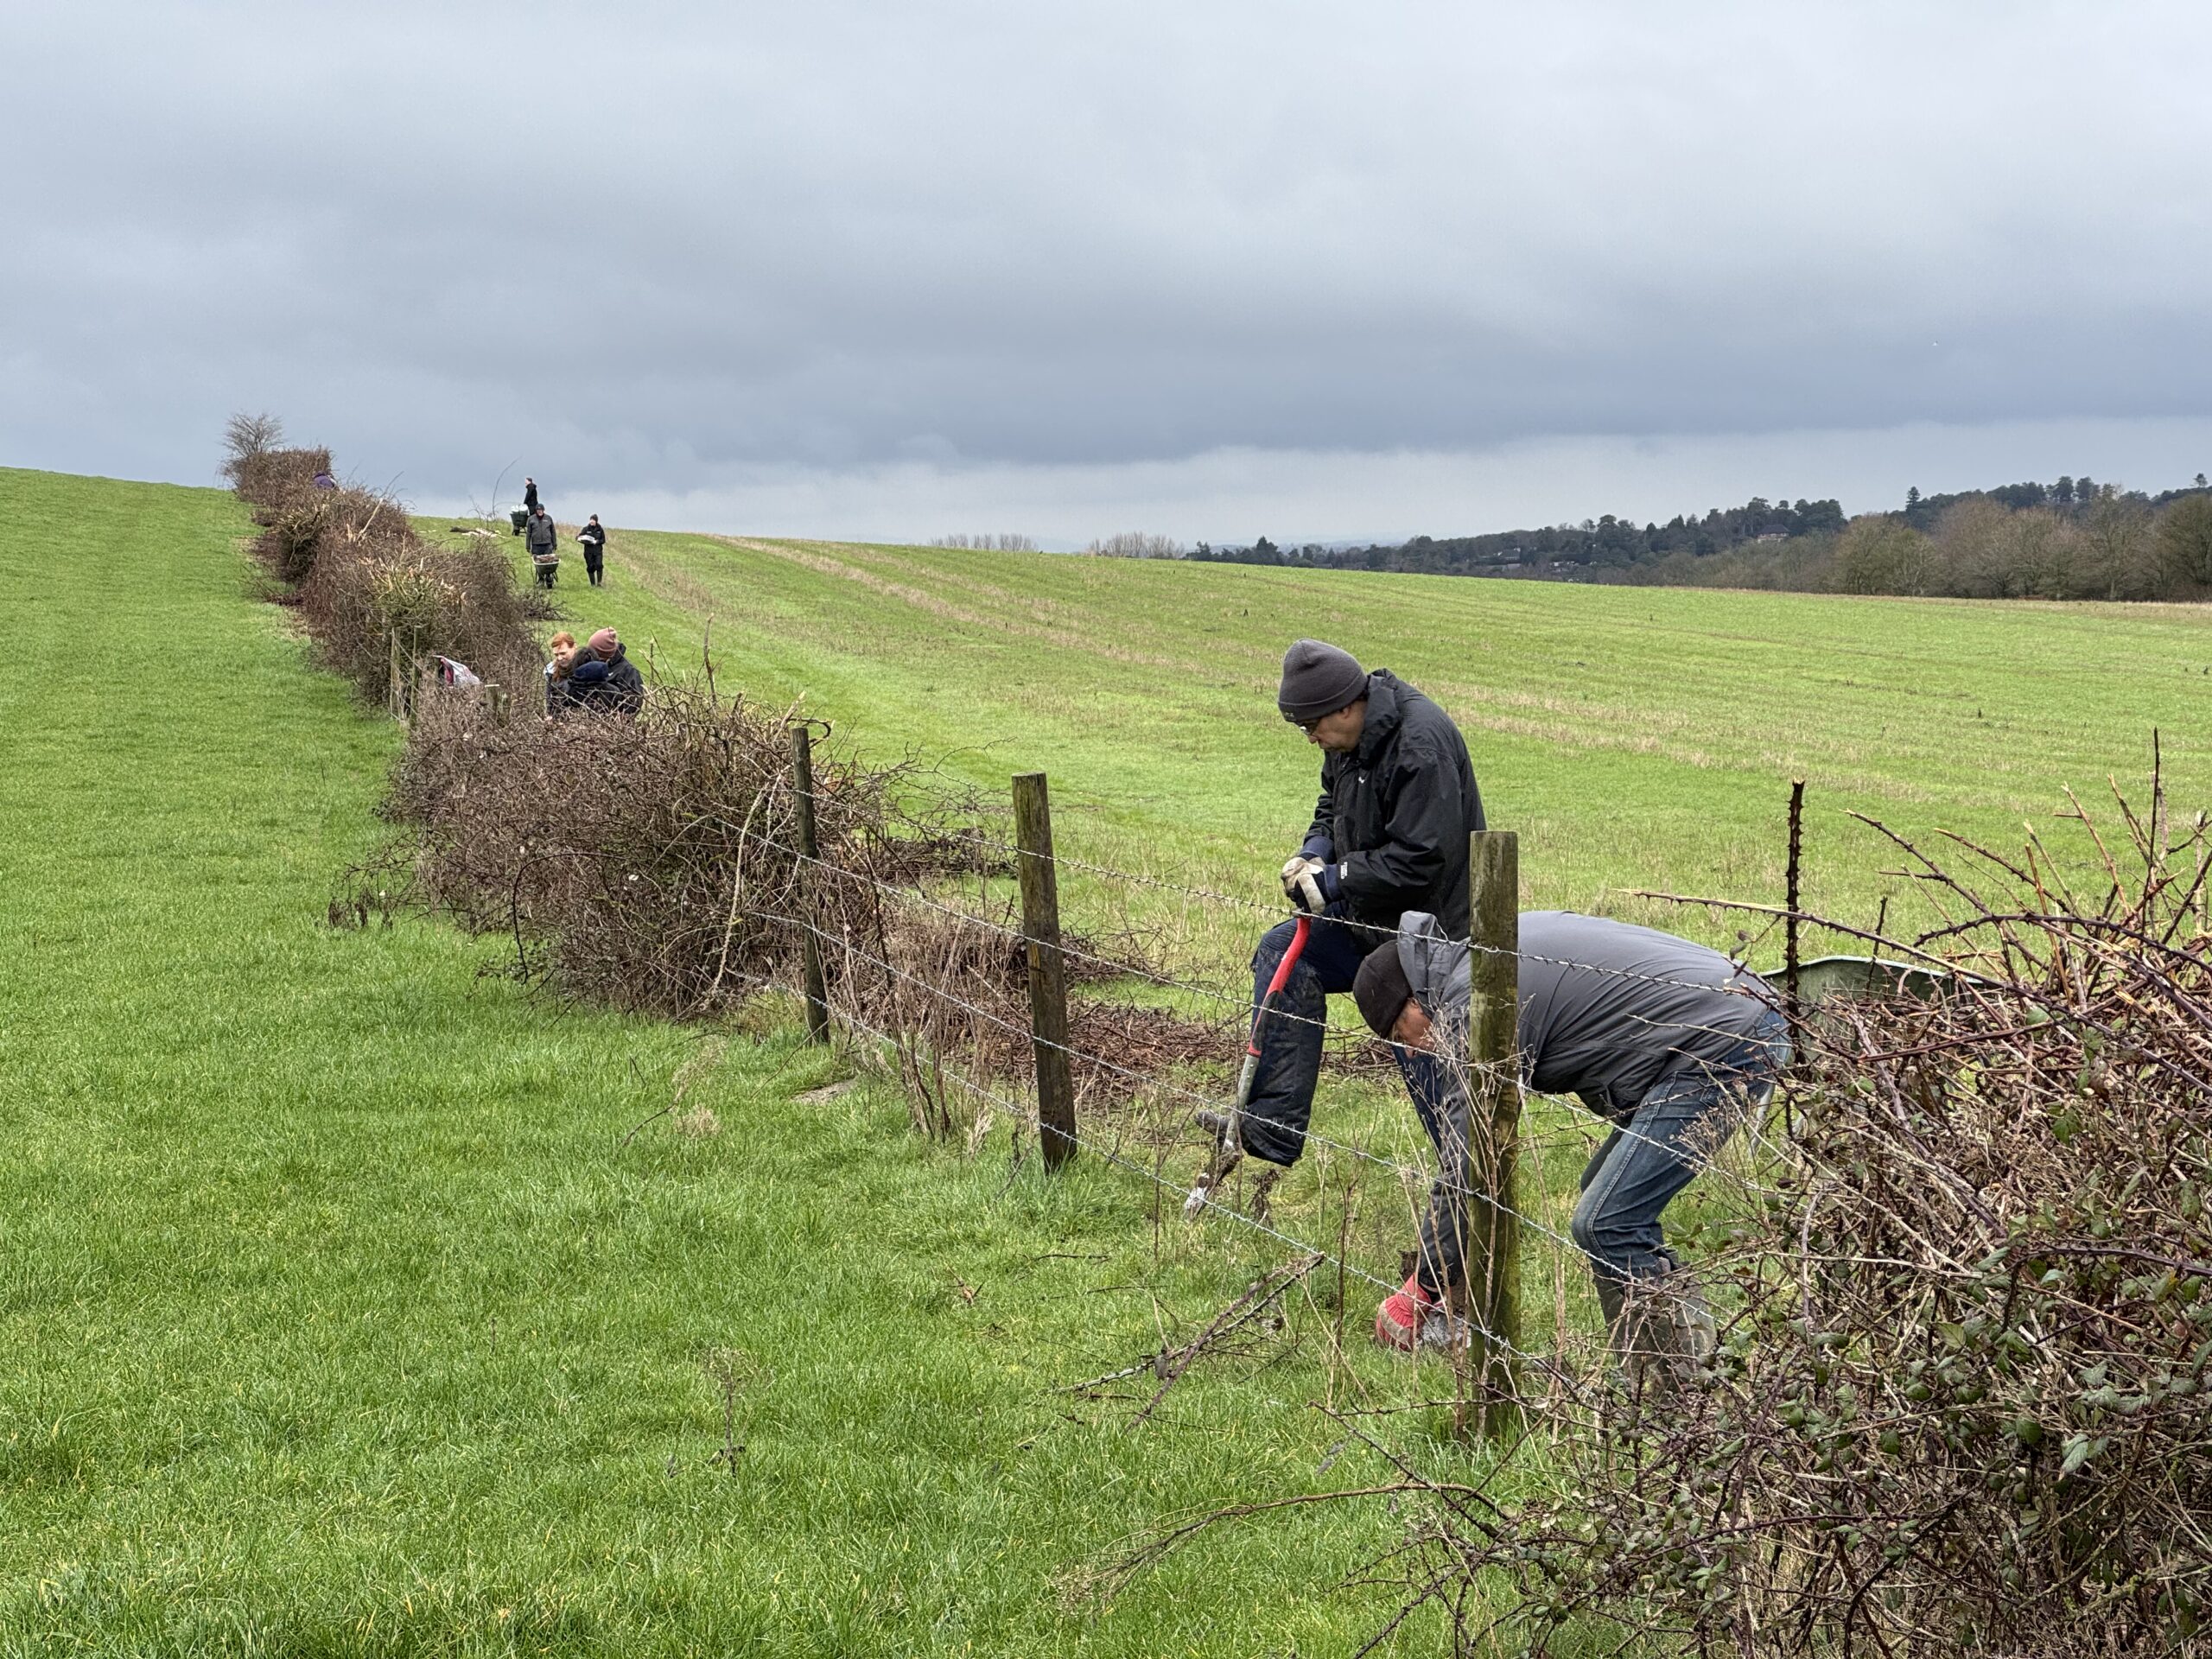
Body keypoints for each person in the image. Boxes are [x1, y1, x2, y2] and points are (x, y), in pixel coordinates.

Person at [1351, 910, 1789, 1383]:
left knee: (1608, 1221)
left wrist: (1422, 1287)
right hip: (1735, 1013)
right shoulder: (1479, 955)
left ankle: (1675, 1393)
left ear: (1413, 1003)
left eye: (1400, 1035)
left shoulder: (1470, 1002)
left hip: (1726, 1040)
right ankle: (1680, 1363)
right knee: (1602, 1192)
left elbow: (1469, 1162)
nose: (1411, 1051)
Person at [1226, 640, 1482, 1172]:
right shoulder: (1345, 743)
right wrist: (1313, 854)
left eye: (1313, 725)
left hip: (1432, 933)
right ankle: (1271, 1128)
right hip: (1371, 917)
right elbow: (1330, 808)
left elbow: (1422, 858)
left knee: (1418, 1041)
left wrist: (1337, 880)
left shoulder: (1419, 747)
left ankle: (1470, 1177)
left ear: (1346, 705)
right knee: (1285, 952)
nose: (1312, 738)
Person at [574, 626, 643, 715]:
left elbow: (634, 705)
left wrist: (607, 689)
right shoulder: (590, 662)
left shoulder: (628, 671)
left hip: (612, 723)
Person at [543, 631, 576, 715]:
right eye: (556, 655)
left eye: (563, 653)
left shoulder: (587, 667)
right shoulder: (551, 671)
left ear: (574, 647)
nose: (560, 658)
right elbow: (550, 701)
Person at [525, 506, 559, 587]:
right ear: (536, 511)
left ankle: (548, 578)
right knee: (538, 563)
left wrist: (554, 544)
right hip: (536, 545)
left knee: (548, 563)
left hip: (547, 545)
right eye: (538, 510)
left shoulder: (548, 518)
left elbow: (553, 532)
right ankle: (541, 580)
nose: (540, 511)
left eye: (541, 510)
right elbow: (528, 533)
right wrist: (528, 546)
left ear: (544, 510)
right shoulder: (531, 519)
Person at [577, 515, 607, 587]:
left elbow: (603, 540)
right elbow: (579, 537)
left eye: (593, 520)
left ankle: (599, 583)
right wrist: (581, 539)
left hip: (598, 552)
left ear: (596, 521)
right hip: (588, 552)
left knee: (599, 565)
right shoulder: (586, 529)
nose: (592, 521)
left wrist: (597, 542)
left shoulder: (600, 530)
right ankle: (593, 584)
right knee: (590, 567)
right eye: (591, 520)